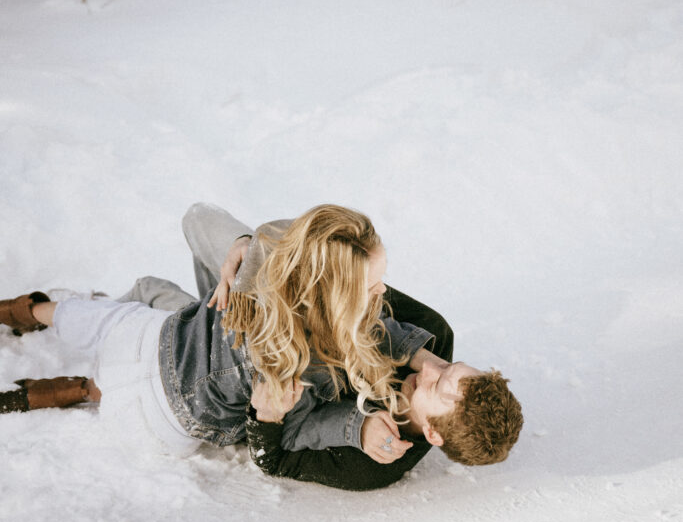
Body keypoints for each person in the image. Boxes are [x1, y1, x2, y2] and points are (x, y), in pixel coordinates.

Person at [0, 204, 523, 490]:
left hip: (174, 392)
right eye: (450, 368)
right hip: (187, 345)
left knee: (114, 338)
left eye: (439, 384)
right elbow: (377, 330)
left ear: (431, 430)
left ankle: (69, 364)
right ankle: (72, 367)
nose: (385, 297)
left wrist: (288, 419)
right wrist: (243, 251)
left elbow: (287, 443)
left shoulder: (367, 447)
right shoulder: (384, 339)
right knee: (144, 307)